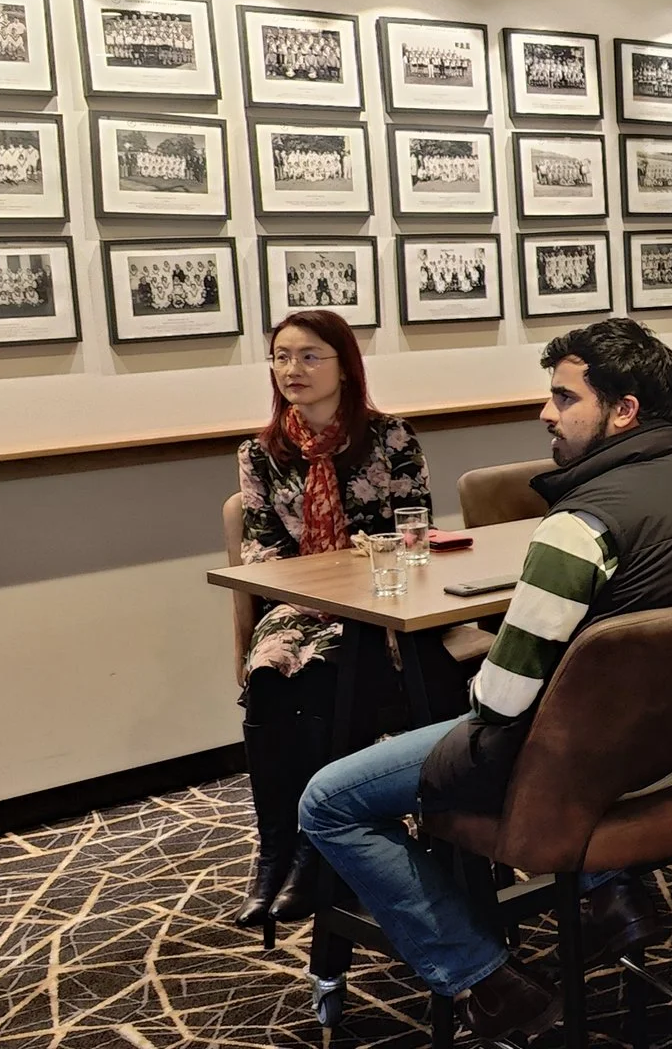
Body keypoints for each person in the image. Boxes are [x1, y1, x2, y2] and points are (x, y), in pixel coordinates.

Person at [298, 318, 672, 1043]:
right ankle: (608, 897)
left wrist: (492, 662)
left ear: (624, 410)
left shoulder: (577, 529)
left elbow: (502, 701)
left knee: (327, 800)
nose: (544, 413)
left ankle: (487, 979)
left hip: (581, 775)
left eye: (562, 397)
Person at [231, 311, 432, 931]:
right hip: (294, 606)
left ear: (345, 365)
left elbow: (413, 529)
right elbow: (262, 551)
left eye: (310, 356)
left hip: (382, 602)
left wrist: (349, 573)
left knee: (321, 677)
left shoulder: (391, 438)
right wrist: (317, 587)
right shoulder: (261, 452)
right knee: (269, 674)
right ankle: (277, 851)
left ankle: (316, 849)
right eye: (281, 356)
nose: (293, 369)